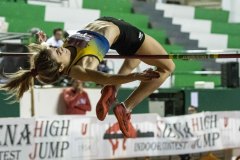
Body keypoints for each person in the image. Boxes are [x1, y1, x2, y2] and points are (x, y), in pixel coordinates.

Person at [1, 17, 175, 137]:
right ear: (61, 66)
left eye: (55, 49)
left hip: (107, 23)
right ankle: (126, 108)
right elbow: (104, 77)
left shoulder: (60, 57)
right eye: (57, 52)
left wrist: (44, 43)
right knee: (168, 67)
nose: (58, 48)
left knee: (133, 60)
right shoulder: (81, 67)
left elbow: (48, 55)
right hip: (124, 34)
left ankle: (112, 92)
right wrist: (135, 77)